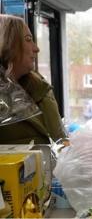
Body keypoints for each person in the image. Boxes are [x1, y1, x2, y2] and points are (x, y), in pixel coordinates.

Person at [0, 14, 66, 144]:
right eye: (28, 39)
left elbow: (61, 139)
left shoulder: (39, 86)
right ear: (7, 43)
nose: (36, 49)